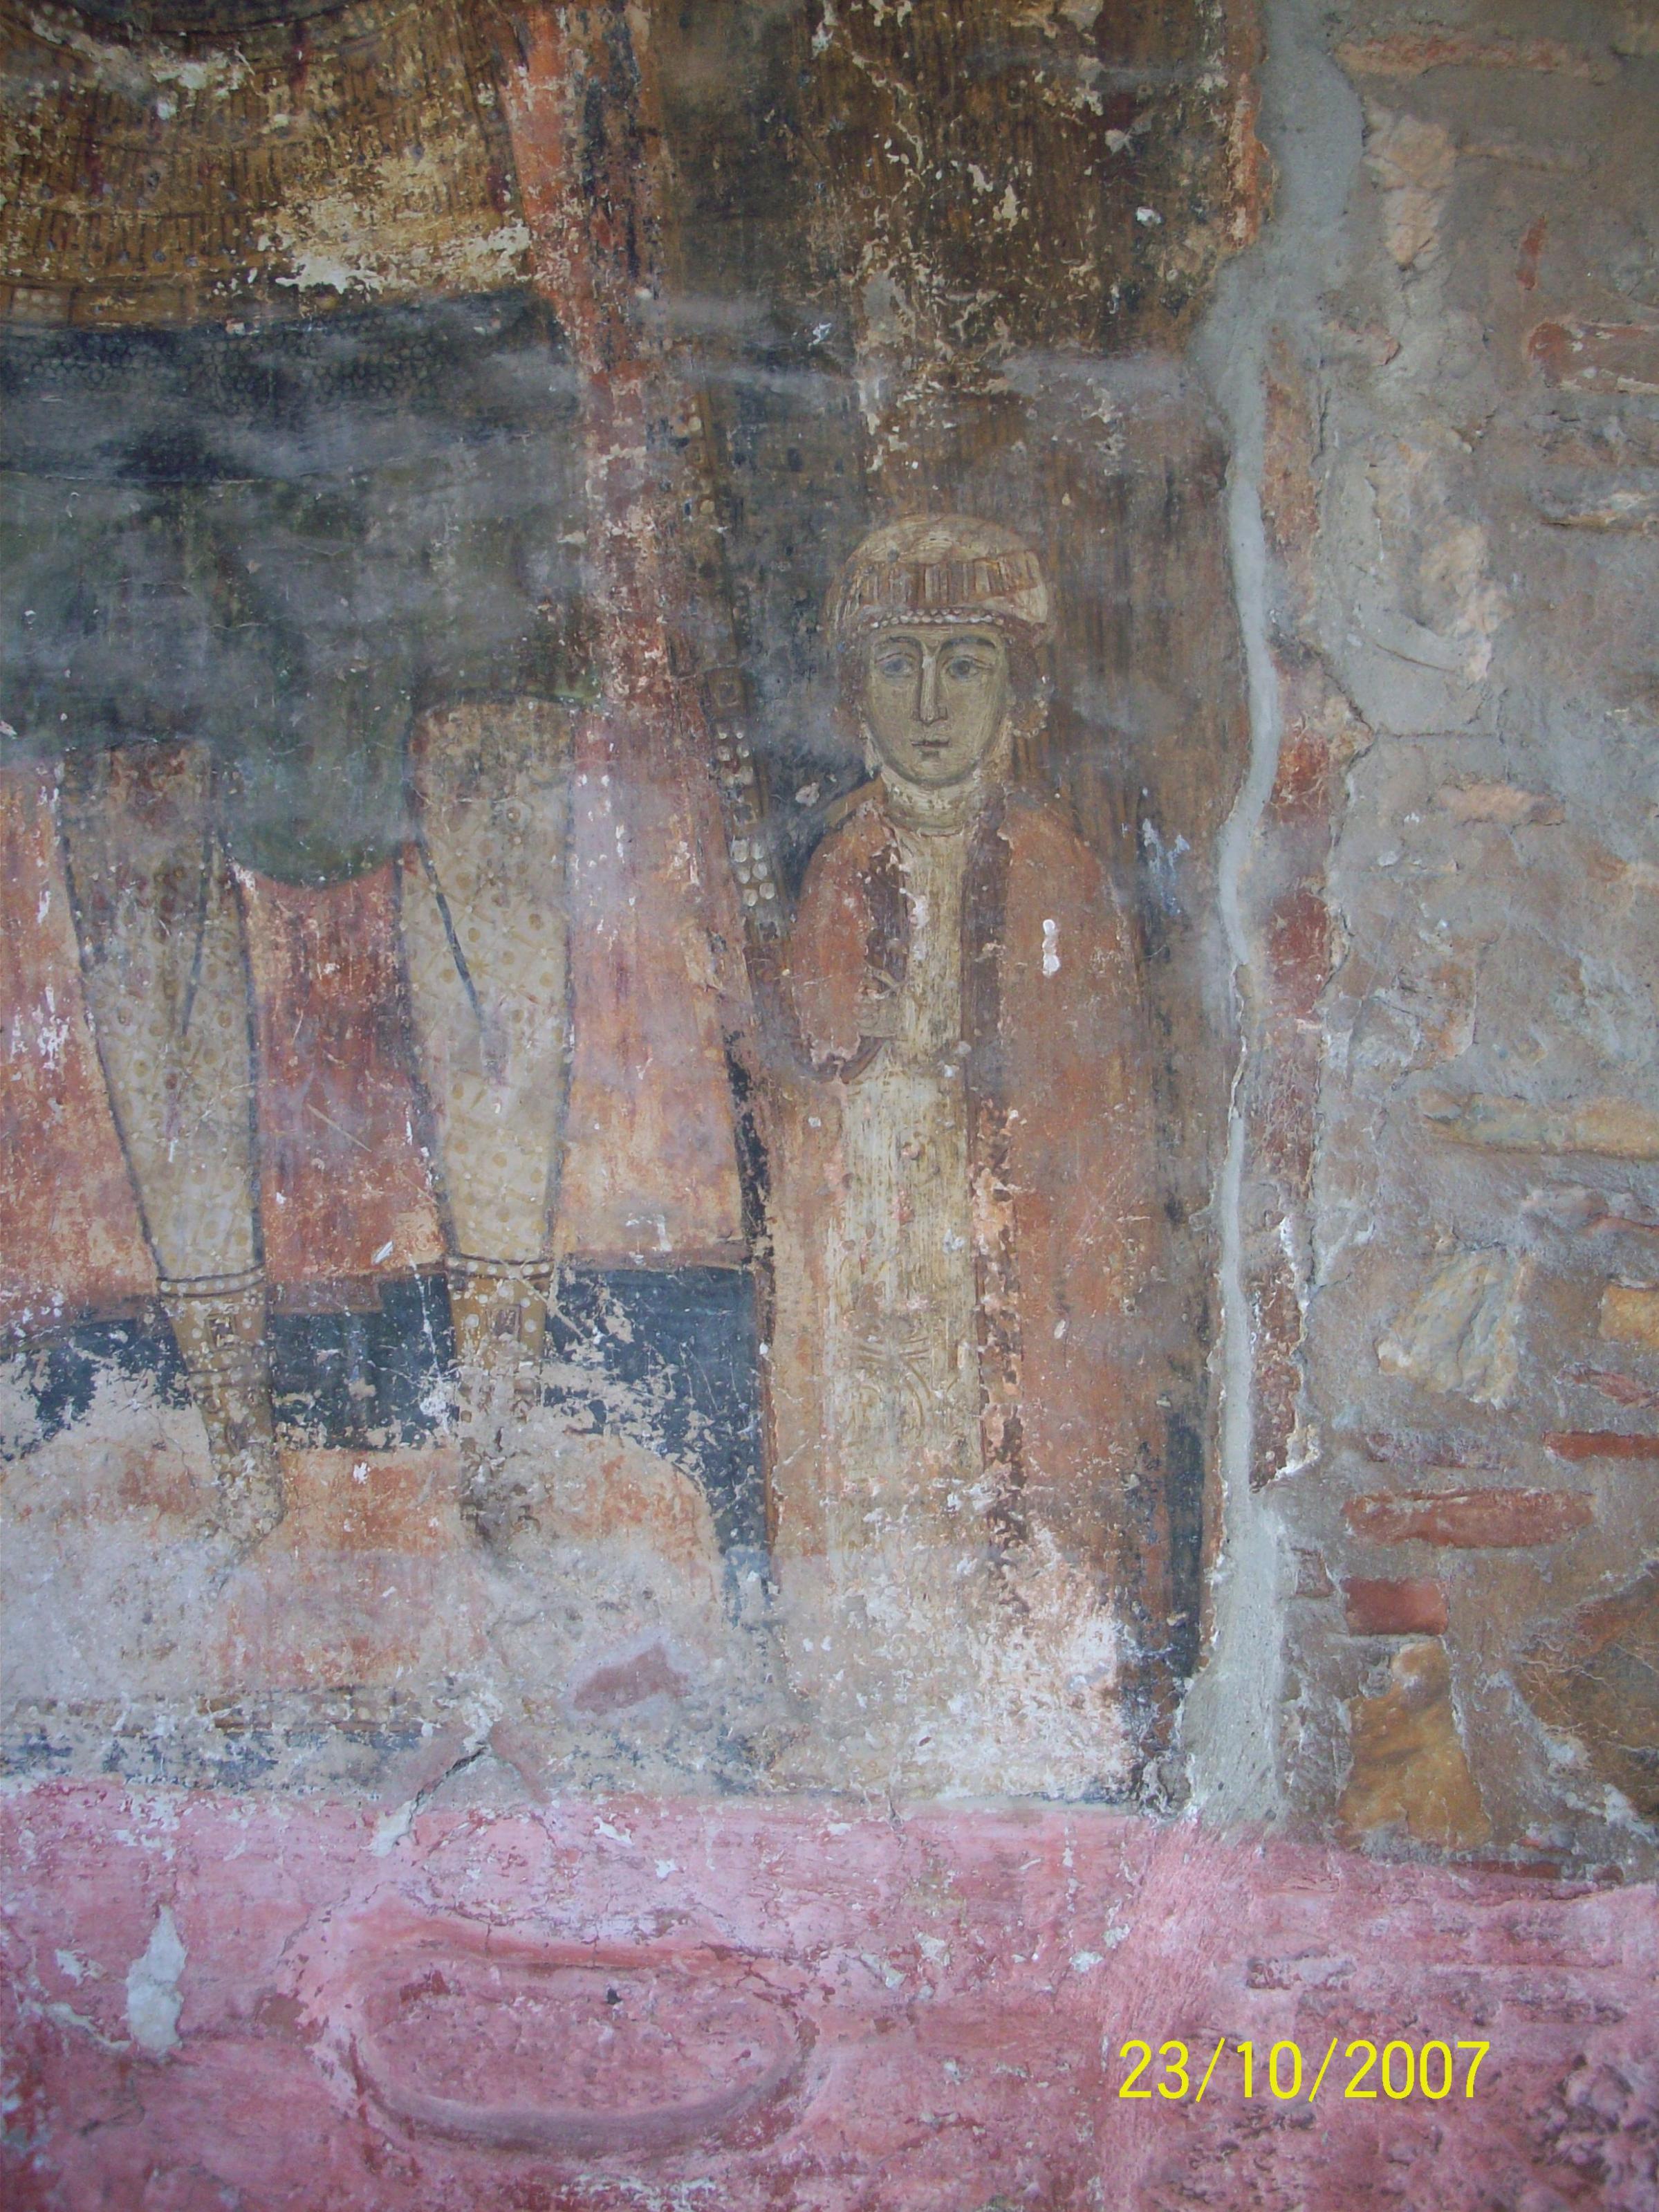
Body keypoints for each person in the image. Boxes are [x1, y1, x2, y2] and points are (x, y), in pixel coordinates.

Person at [767, 515, 1171, 1796]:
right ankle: (876, 1707)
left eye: (966, 664)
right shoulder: (840, 869)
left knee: (1024, 1479)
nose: (933, 705)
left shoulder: (1061, 874)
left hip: (1019, 1265)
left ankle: (1036, 1706)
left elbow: (1099, 1136)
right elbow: (803, 1104)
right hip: (874, 1258)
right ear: (858, 694)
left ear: (1017, 690)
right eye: (900, 665)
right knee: (876, 1483)